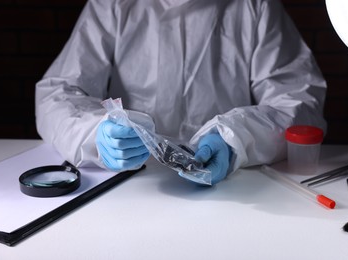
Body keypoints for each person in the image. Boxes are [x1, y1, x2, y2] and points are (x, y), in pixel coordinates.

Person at [35, 0, 327, 185]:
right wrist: (95, 134)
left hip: (229, 184)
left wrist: (236, 138)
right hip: (131, 185)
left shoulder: (255, 6)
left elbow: (298, 101)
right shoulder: (112, 5)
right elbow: (56, 94)